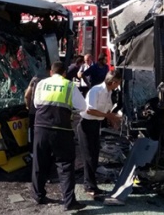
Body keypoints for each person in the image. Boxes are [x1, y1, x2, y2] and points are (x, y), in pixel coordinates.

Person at [31, 61, 87, 211]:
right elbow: (82, 107)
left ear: (51, 72)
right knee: (65, 165)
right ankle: (69, 202)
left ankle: (38, 195)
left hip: (41, 128)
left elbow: (36, 104)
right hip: (61, 130)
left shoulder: (41, 84)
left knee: (39, 162)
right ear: (64, 73)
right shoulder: (69, 85)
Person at [77, 70, 122, 200]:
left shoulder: (109, 92)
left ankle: (92, 185)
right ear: (113, 82)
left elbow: (106, 109)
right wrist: (108, 116)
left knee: (95, 155)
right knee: (88, 156)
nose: (118, 85)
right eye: (117, 83)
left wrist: (111, 119)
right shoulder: (96, 90)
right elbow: (90, 110)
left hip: (96, 125)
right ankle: (89, 186)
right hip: (86, 124)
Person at [24, 66, 48, 153]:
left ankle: (32, 152)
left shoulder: (35, 79)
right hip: (47, 113)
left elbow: (27, 95)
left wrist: (28, 106)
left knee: (32, 133)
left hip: (34, 112)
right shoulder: (51, 79)